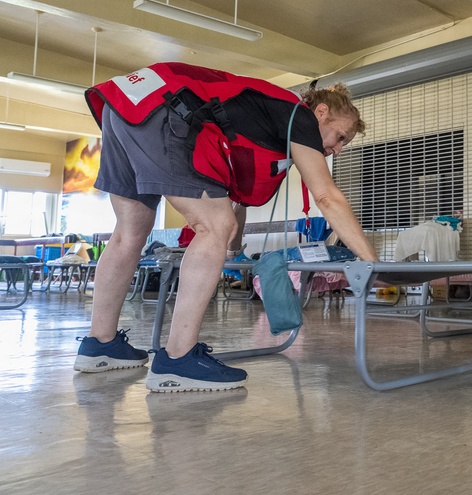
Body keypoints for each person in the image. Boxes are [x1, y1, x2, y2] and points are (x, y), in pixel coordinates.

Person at [73, 62, 378, 393]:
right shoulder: (299, 116)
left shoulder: (263, 115)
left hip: (126, 106)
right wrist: (371, 261)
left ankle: (100, 345)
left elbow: (236, 202)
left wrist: (231, 240)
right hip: (166, 106)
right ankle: (178, 359)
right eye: (340, 136)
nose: (337, 148)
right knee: (213, 224)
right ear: (320, 113)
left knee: (129, 234)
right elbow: (327, 197)